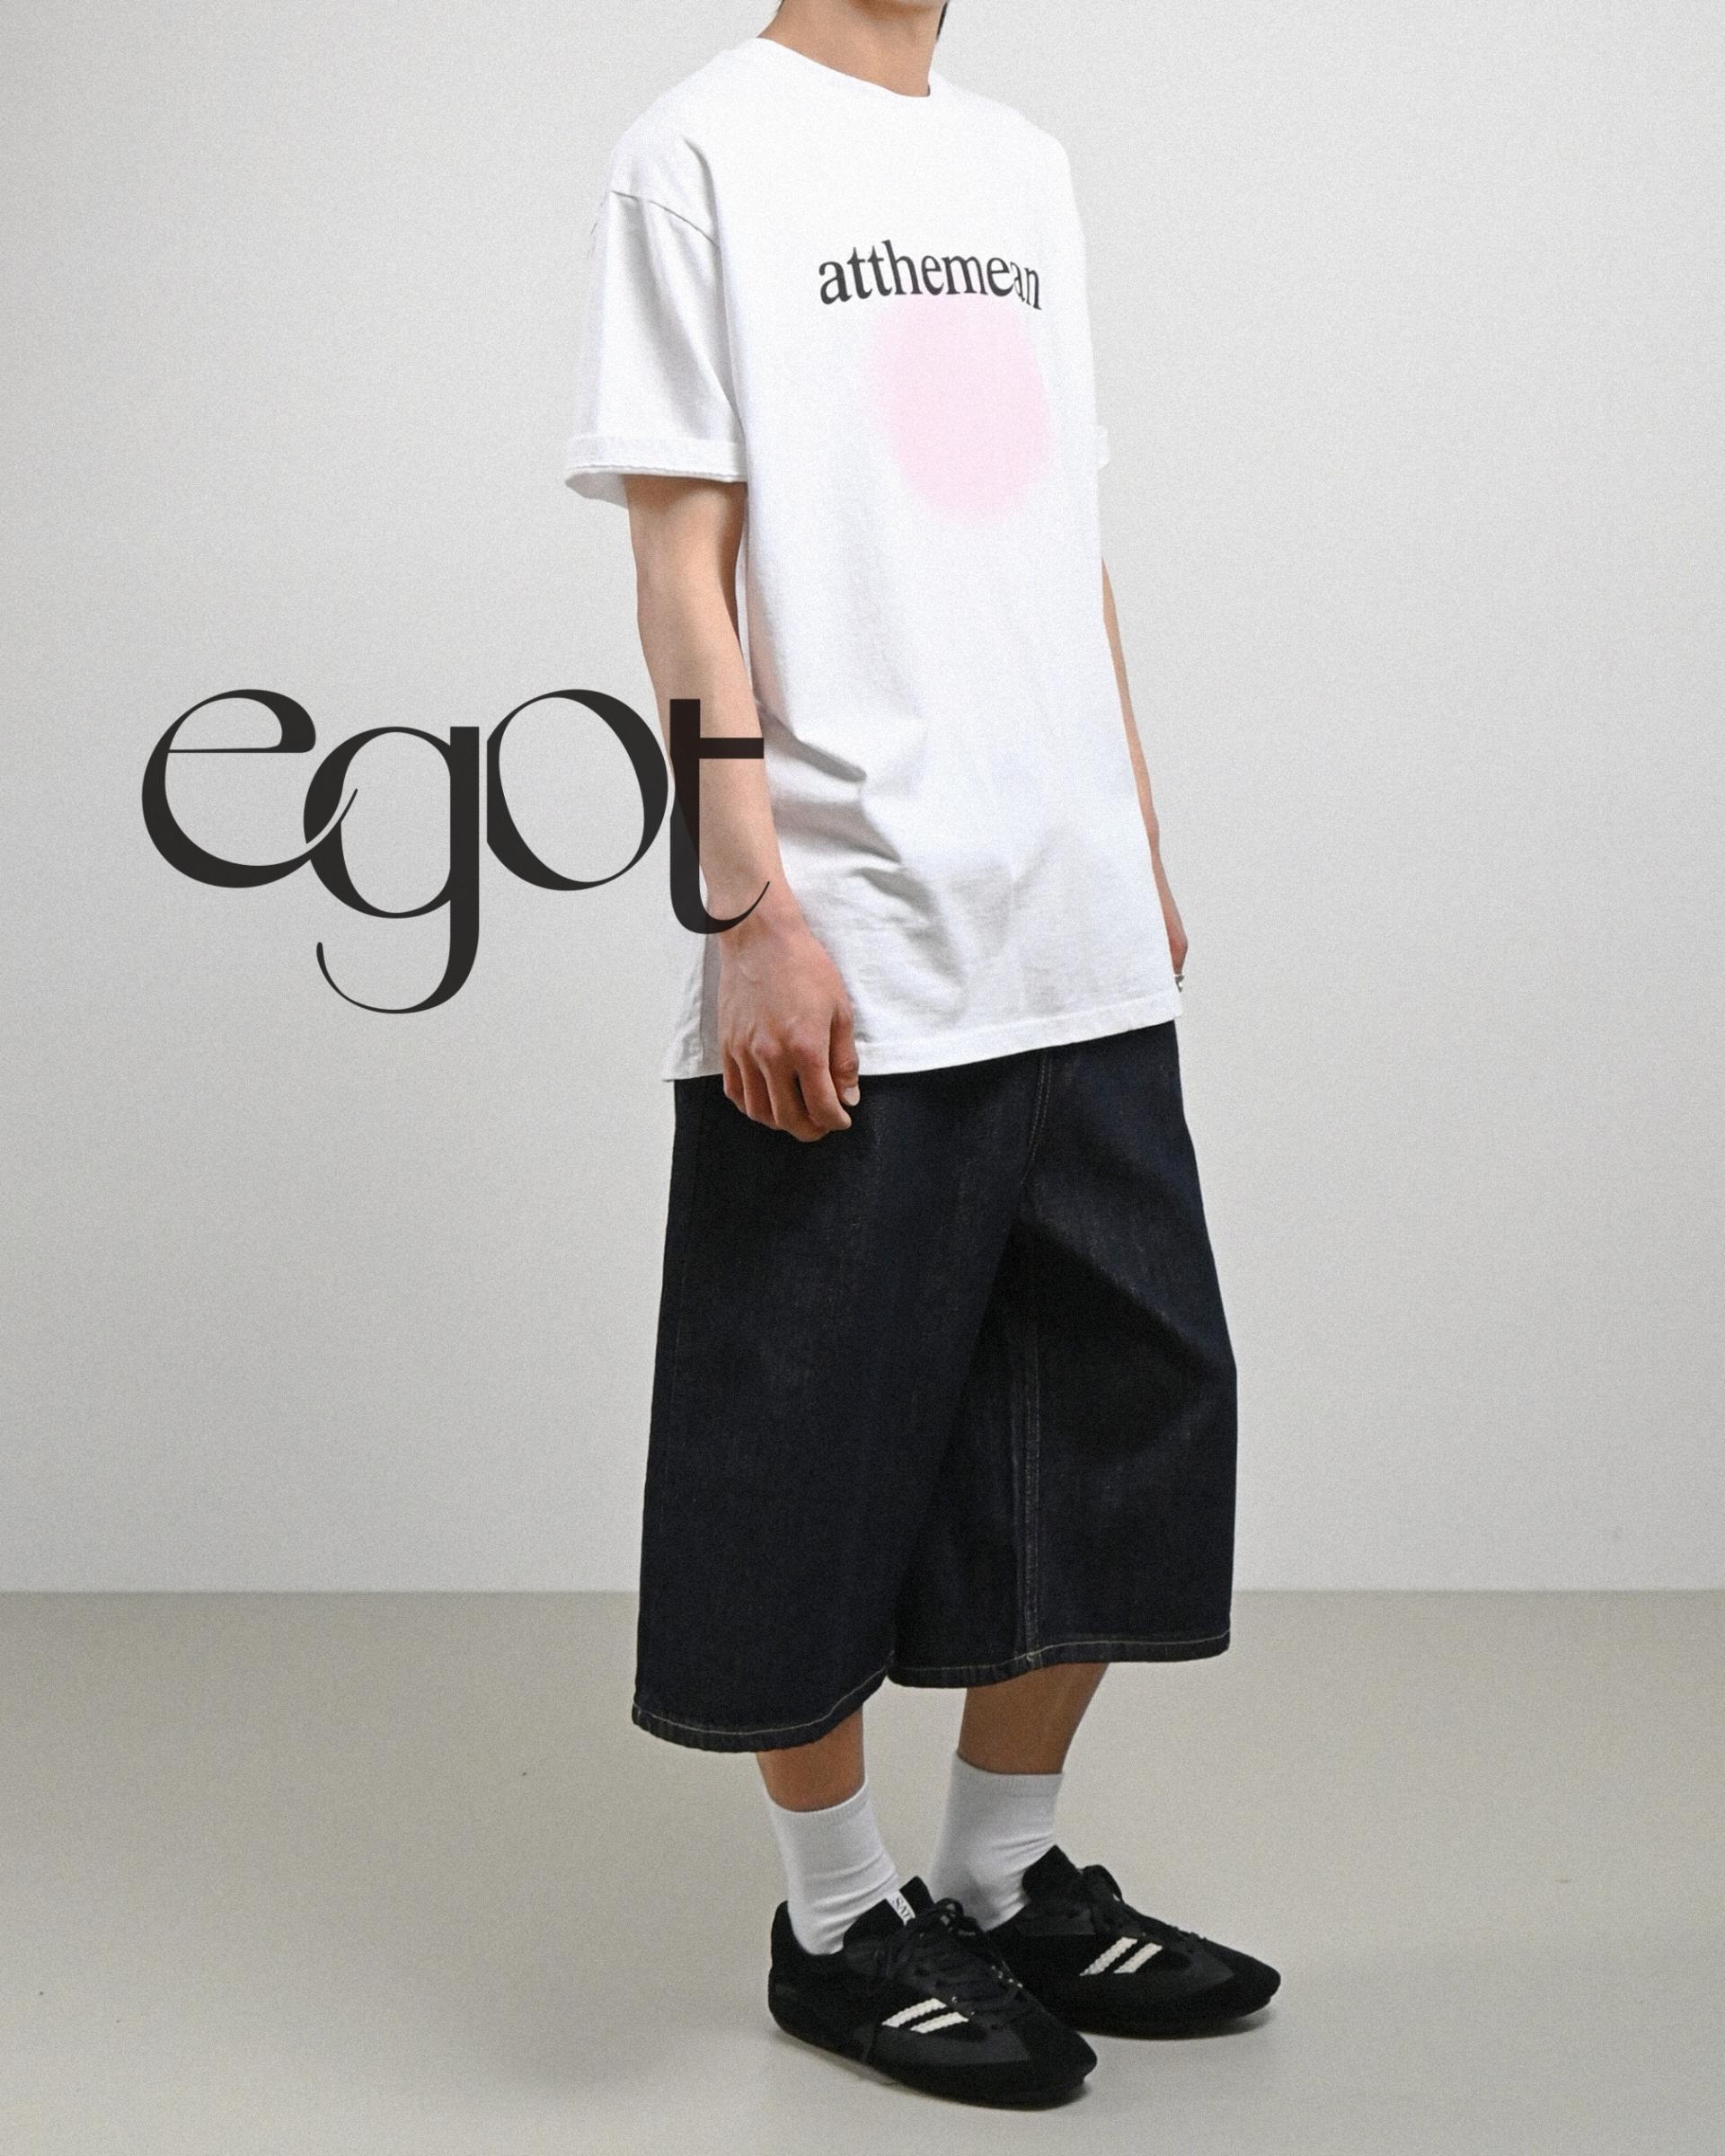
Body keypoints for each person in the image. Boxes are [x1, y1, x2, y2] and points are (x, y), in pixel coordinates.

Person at [563, 0, 1278, 2107]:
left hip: (1066, 916)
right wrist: (747, 911)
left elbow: (1061, 535)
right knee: (808, 1436)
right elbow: (680, 570)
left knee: (1130, 1401)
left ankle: (1003, 1873)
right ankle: (836, 1915)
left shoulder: (1019, 164)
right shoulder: (698, 150)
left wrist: (1134, 842)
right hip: (855, 926)